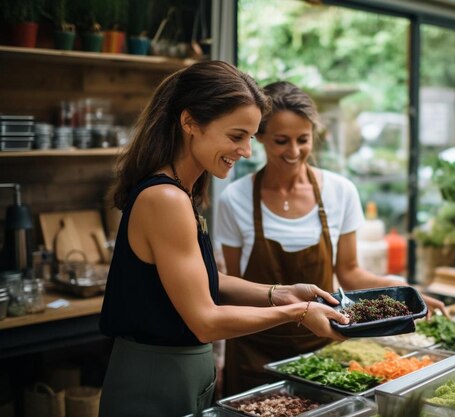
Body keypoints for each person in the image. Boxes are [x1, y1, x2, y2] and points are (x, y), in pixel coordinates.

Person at [98, 62, 348, 417]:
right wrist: (298, 312)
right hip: (157, 377)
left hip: (178, 372)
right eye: (236, 136)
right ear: (190, 123)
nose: (246, 150)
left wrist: (278, 292)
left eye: (250, 136)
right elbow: (206, 320)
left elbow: (200, 282)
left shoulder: (182, 192)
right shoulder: (165, 199)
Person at [215, 81, 447, 395]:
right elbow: (235, 288)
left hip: (322, 348)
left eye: (303, 140)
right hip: (253, 352)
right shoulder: (235, 198)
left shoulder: (340, 192)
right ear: (260, 137)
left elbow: (349, 273)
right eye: (282, 141)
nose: (294, 152)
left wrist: (406, 294)